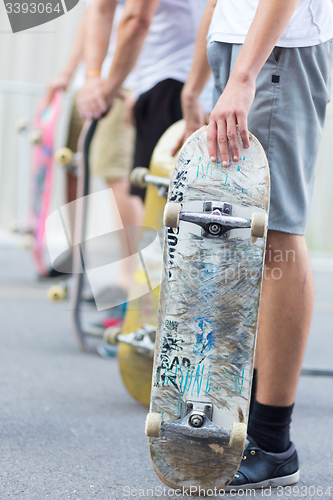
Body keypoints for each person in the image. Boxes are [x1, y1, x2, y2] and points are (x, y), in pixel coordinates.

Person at [180, 0, 333, 490]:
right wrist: (202, 76)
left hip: (276, 52)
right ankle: (242, 421)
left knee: (277, 236)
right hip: (241, 46)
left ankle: (272, 442)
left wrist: (243, 76)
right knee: (242, 240)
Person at [45, 2, 143, 300]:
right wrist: (70, 73)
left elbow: (142, 20)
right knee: (75, 170)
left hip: (121, 85)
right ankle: (77, 257)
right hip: (90, 84)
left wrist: (131, 84)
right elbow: (94, 16)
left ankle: (131, 282)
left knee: (117, 177)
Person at [77, 0, 212, 202]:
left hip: (173, 84)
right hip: (171, 83)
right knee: (163, 198)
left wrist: (108, 89)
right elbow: (102, 10)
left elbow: (136, 20)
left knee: (162, 202)